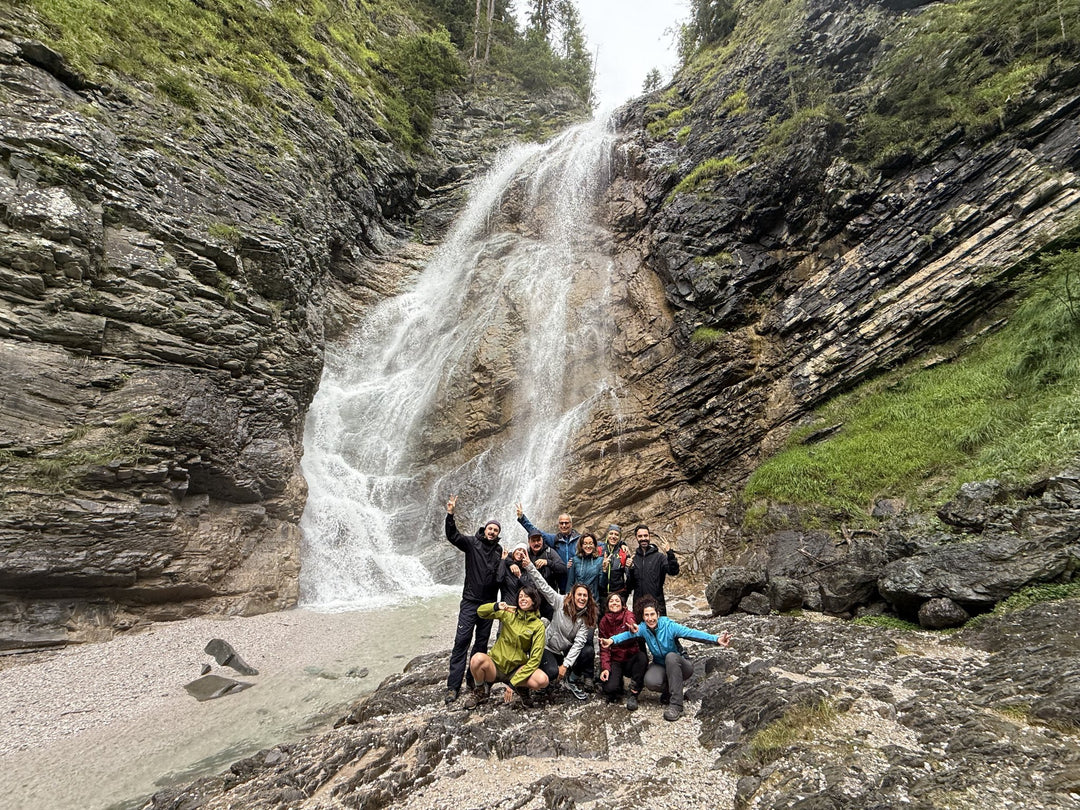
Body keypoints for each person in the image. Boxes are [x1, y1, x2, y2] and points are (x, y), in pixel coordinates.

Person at [600, 595, 731, 721]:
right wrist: (611, 641)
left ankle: (676, 705)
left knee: (670, 657)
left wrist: (716, 639)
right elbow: (627, 635)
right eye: (646, 615)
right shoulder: (644, 628)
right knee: (650, 681)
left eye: (652, 614)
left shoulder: (669, 626)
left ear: (658, 614)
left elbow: (692, 633)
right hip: (660, 665)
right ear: (643, 617)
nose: (650, 618)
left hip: (680, 664)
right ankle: (670, 690)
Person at [443, 494, 503, 705]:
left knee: (481, 644)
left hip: (488, 606)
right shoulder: (471, 543)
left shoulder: (499, 552)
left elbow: (501, 575)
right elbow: (453, 536)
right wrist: (450, 514)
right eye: (490, 528)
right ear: (485, 529)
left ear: (498, 535)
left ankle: (472, 680)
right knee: (461, 642)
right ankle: (452, 687)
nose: (492, 532)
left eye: (496, 530)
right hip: (470, 602)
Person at [521, 556, 597, 701]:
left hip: (564, 650)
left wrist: (566, 665)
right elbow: (543, 586)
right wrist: (530, 566)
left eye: (585, 596)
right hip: (548, 647)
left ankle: (571, 675)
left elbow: (579, 642)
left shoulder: (587, 616)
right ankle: (534, 674)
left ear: (589, 598)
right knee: (552, 673)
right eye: (579, 594)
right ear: (573, 595)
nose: (582, 598)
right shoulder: (560, 602)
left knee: (588, 651)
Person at [465, 585, 549, 708]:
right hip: (496, 665)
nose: (523, 599)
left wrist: (512, 684)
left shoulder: (538, 625)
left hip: (516, 669)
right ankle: (480, 690)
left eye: (526, 596)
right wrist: (496, 606)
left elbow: (535, 659)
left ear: (534, 601)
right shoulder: (509, 613)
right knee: (477, 659)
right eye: (520, 596)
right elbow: (480, 612)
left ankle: (521, 687)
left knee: (542, 680)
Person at [598, 591, 648, 710]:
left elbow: (631, 620)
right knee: (610, 689)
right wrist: (605, 668)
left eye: (617, 601)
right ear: (607, 605)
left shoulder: (628, 615)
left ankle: (634, 691)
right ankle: (618, 681)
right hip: (615, 659)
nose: (614, 603)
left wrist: (632, 626)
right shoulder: (603, 622)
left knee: (642, 657)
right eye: (611, 601)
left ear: (623, 604)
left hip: (630, 657)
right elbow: (604, 649)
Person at [516, 503, 580, 591]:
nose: (564, 525)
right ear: (559, 525)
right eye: (561, 523)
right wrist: (522, 518)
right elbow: (536, 532)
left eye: (566, 523)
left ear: (571, 524)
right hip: (561, 581)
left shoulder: (579, 540)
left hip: (577, 579)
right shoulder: (554, 539)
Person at [626, 524, 679, 615]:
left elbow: (674, 571)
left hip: (657, 603)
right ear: (636, 538)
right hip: (639, 605)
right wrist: (630, 569)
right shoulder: (634, 558)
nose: (643, 538)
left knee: (659, 628)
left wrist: (670, 553)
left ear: (649, 536)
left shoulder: (659, 557)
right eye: (640, 536)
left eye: (645, 535)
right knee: (640, 629)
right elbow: (630, 585)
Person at [526, 530, 566, 612]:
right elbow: (512, 556)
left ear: (542, 540)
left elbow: (563, 568)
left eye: (538, 540)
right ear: (529, 542)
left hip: (548, 598)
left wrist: (548, 562)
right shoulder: (526, 553)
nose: (536, 543)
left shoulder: (549, 552)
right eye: (533, 541)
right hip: (531, 598)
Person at [567, 531, 605, 606]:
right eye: (585, 543)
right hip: (577, 600)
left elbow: (602, 585)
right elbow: (570, 582)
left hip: (593, 601)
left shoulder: (600, 561)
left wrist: (604, 570)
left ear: (594, 545)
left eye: (591, 543)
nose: (588, 546)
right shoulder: (575, 560)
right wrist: (568, 598)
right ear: (581, 545)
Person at [602, 524, 632, 607]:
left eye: (616, 535)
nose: (613, 536)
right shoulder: (600, 549)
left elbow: (629, 576)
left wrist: (626, 593)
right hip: (602, 594)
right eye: (611, 533)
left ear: (619, 537)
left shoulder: (623, 552)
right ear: (607, 535)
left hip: (619, 594)